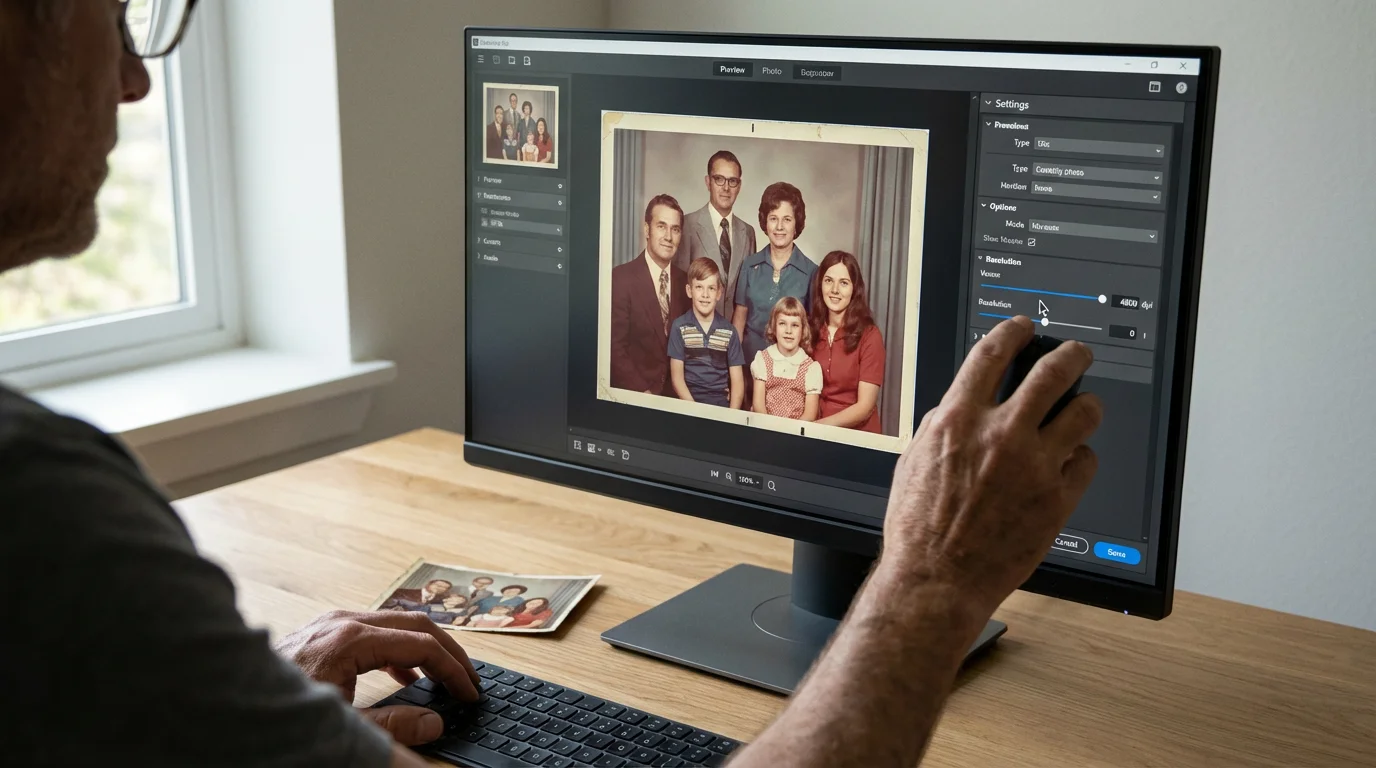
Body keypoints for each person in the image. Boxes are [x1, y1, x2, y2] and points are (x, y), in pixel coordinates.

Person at [1, 4, 1103, 765]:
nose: (139, 75)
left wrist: (243, 723)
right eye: (110, 19)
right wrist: (927, 588)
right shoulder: (41, 507)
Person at [609, 194, 692, 395]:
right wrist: (642, 392)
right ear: (647, 230)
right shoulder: (621, 278)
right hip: (635, 395)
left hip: (675, 397)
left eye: (675, 229)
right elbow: (614, 348)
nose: (669, 237)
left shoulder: (686, 283)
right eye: (661, 226)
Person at [733, 181, 818, 366]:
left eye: (787, 219)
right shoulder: (749, 265)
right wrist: (735, 369)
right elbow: (739, 321)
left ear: (797, 224)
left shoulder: (811, 272)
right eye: (773, 218)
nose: (779, 227)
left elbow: (812, 332)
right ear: (765, 222)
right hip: (749, 367)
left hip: (789, 374)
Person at [810, 250, 886, 433]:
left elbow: (865, 407)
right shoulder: (809, 328)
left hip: (856, 435)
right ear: (820, 284)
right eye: (829, 281)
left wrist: (815, 428)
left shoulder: (870, 336)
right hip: (816, 434)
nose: (834, 290)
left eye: (843, 283)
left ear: (855, 289)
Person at [678, 150, 757, 325]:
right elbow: (679, 290)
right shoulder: (687, 226)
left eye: (732, 181)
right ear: (708, 182)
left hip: (735, 338)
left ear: (739, 186)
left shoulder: (748, 233)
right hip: (696, 335)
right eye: (719, 179)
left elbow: (746, 294)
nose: (726, 188)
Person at [668, 257, 746, 408]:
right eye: (699, 287)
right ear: (689, 291)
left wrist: (731, 416)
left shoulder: (729, 331)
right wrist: (694, 410)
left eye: (711, 288)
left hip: (720, 404)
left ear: (719, 293)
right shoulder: (679, 327)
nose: (705, 294)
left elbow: (737, 382)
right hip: (688, 403)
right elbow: (677, 378)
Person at [751, 296, 822, 420]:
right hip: (766, 428)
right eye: (782, 323)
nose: (788, 331)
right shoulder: (763, 359)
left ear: (803, 330)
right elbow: (758, 406)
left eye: (795, 325)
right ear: (774, 327)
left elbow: (810, 415)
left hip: (795, 434)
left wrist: (790, 435)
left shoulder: (810, 368)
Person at [387, 579, 452, 606]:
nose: (440, 588)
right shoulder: (401, 592)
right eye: (438, 585)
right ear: (429, 584)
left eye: (445, 588)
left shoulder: (439, 600)